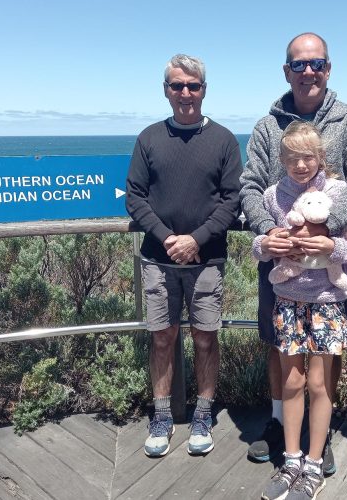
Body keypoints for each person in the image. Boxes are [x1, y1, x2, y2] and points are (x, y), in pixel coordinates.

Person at [239, 32, 347, 475]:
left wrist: (326, 230)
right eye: (298, 65)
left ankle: (321, 436)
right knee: (280, 345)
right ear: (287, 71)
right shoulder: (267, 127)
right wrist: (270, 232)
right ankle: (282, 426)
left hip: (331, 260)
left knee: (325, 354)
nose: (308, 72)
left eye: (316, 63)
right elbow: (250, 187)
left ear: (328, 67)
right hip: (283, 258)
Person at [125, 54, 242, 458]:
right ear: (166, 90)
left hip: (207, 259)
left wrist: (196, 238)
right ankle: (161, 417)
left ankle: (203, 414)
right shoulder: (149, 138)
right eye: (178, 86)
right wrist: (167, 237)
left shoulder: (224, 140)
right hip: (158, 259)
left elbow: (232, 201)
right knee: (161, 338)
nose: (185, 93)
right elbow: (135, 197)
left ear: (204, 90)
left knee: (206, 338)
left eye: (193, 86)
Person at [254, 121, 347, 500]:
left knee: (318, 383)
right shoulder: (272, 196)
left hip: (328, 303)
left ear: (320, 158)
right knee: (292, 382)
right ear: (281, 159)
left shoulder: (337, 192)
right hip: (287, 299)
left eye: (308, 157)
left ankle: (314, 464)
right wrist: (267, 245)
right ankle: (291, 460)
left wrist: (328, 249)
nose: (300, 165)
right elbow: (260, 245)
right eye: (292, 158)